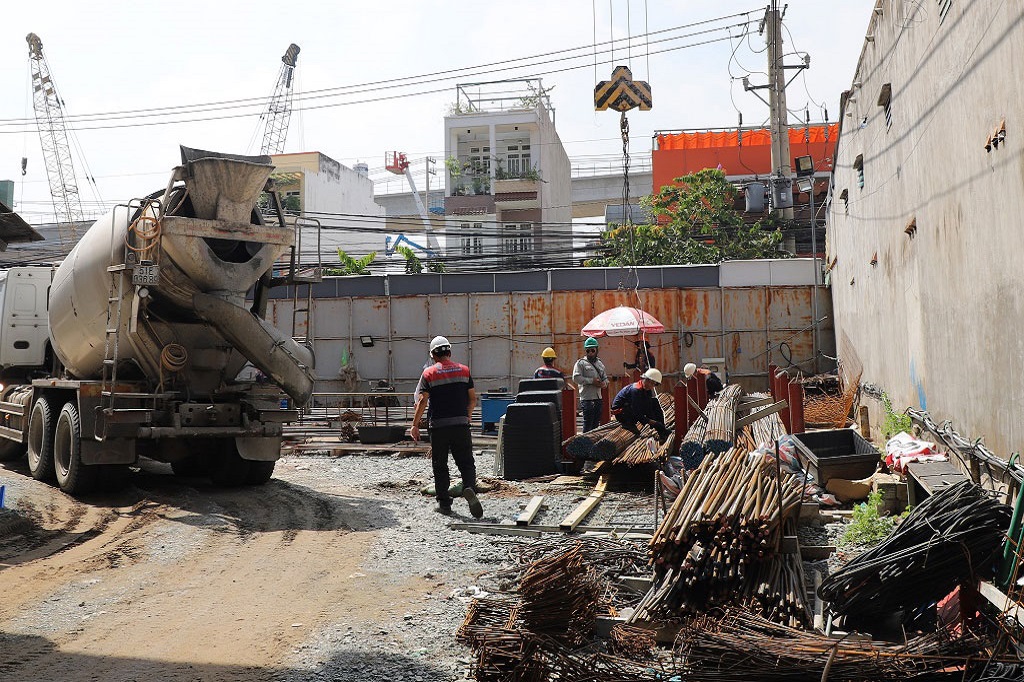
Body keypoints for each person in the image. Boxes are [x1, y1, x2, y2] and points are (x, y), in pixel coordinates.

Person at [411, 335, 483, 518]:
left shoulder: (428, 374)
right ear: (449, 352)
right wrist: (466, 416)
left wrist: (415, 425)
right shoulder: (464, 371)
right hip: (461, 425)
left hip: (439, 427)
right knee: (466, 462)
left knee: (440, 465)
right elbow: (473, 399)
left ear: (433, 355)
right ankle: (469, 488)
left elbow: (422, 401)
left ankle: (444, 504)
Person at [611, 368, 670, 441]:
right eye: (650, 383)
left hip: (631, 408)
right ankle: (629, 424)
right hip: (622, 413)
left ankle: (662, 432)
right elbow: (637, 412)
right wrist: (652, 422)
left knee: (654, 402)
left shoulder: (647, 390)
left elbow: (649, 409)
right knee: (636, 411)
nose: (651, 386)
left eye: (653, 384)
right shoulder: (635, 390)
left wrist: (658, 424)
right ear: (646, 380)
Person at [572, 336, 609, 433]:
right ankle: (585, 446)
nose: (590, 353)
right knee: (588, 424)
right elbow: (576, 378)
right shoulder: (581, 364)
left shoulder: (600, 363)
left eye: (592, 350)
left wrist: (603, 384)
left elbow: (605, 378)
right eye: (588, 351)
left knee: (596, 424)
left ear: (597, 350)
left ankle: (593, 444)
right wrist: (591, 381)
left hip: (598, 398)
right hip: (587, 398)